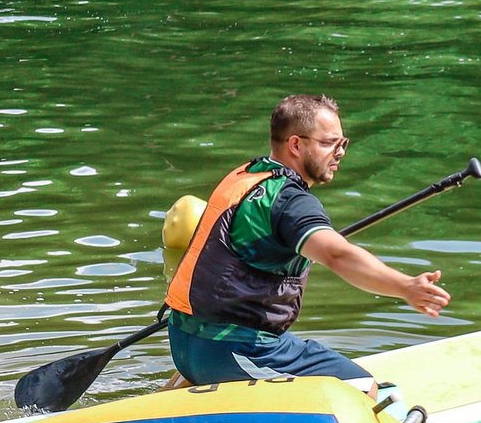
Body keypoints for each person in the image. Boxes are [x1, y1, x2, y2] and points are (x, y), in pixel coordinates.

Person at [162, 94, 450, 391]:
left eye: (342, 143)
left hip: (184, 345)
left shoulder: (246, 175)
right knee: (361, 386)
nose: (339, 153)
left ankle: (176, 397)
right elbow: (337, 255)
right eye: (328, 143)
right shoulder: (292, 202)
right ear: (296, 145)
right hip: (235, 351)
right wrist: (406, 287)